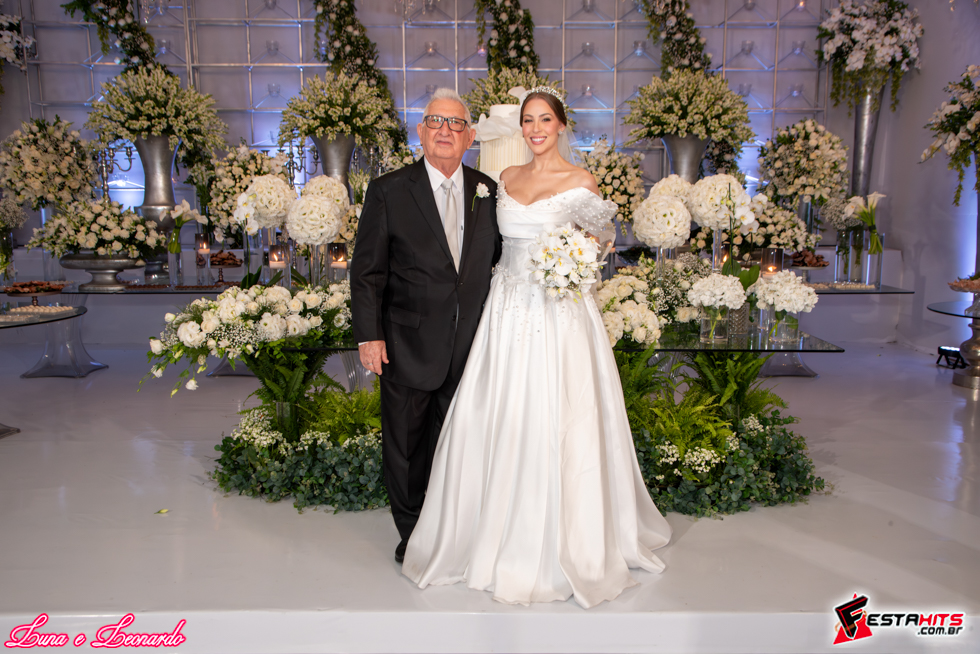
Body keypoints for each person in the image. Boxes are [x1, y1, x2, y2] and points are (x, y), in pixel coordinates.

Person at [401, 88, 672, 609]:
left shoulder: (581, 182)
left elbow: (600, 244)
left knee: (558, 413)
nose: (536, 129)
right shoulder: (503, 180)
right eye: (528, 120)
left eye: (545, 119)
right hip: (505, 311)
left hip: (559, 312)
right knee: (498, 412)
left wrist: (571, 264)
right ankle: (484, 531)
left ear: (561, 125)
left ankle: (564, 538)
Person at [351, 89, 501, 565]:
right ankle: (414, 533)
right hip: (407, 342)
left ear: (470, 137)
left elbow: (501, 261)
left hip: (471, 345)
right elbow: (367, 271)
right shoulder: (389, 191)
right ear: (420, 131)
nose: (445, 131)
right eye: (436, 121)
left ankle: (455, 531)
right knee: (407, 446)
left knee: (460, 443)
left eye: (456, 124)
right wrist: (369, 335)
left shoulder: (488, 191)